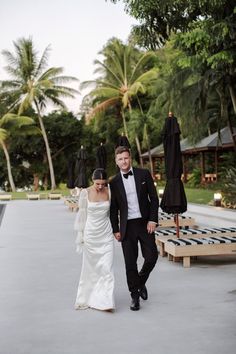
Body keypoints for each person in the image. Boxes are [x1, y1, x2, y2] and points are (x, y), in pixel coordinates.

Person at [110, 146, 159, 311]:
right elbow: (113, 208)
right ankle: (134, 296)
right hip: (127, 227)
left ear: (130, 158)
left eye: (126, 158)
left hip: (145, 223)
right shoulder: (114, 182)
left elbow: (153, 198)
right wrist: (115, 229)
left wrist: (153, 219)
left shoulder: (143, 174)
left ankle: (140, 281)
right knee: (130, 263)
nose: (123, 161)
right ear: (116, 162)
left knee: (152, 256)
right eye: (120, 159)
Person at [74, 168, 115, 311]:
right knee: (90, 269)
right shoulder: (85, 193)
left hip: (106, 235)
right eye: (98, 183)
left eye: (103, 183)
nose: (100, 187)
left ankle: (106, 301)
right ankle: (87, 297)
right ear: (93, 180)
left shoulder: (109, 191)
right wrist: (81, 236)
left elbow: (114, 213)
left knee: (107, 268)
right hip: (91, 235)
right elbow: (82, 217)